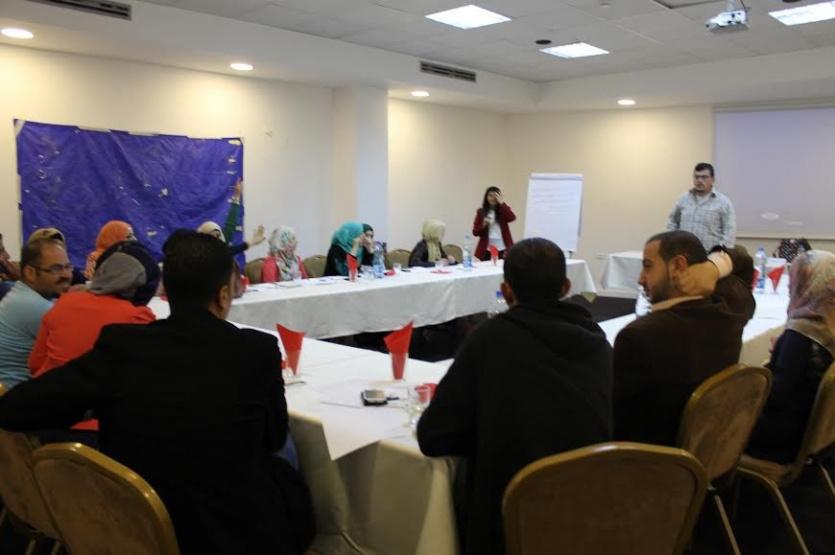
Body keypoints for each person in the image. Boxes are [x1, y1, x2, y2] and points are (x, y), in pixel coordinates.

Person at [0, 231, 315, 554]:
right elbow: (273, 438)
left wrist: (96, 405)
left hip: (132, 527)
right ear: (223, 295)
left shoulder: (122, 346)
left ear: (166, 291)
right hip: (235, 533)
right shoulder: (257, 351)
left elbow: (17, 407)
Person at [417, 238, 612, 555]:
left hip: (510, 517)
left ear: (506, 292)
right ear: (566, 287)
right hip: (589, 508)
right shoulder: (597, 342)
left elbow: (433, 436)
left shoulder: (490, 339)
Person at [613, 230, 755, 445]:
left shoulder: (638, 336)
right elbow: (744, 263)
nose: (640, 279)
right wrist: (713, 268)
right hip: (708, 450)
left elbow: (618, 421)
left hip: (652, 457)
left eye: (648, 266)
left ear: (678, 266)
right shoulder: (731, 311)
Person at [28, 241, 160, 435]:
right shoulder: (137, 318)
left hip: (42, 421)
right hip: (98, 431)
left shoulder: (65, 301)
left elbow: (35, 364)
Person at [747, 250, 835, 463]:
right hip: (815, 437)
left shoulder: (800, 335)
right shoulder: (826, 326)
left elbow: (776, 398)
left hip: (782, 443)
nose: (789, 286)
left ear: (807, 285)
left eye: (794, 280)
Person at [0, 238, 72, 389]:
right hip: (13, 394)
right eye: (56, 269)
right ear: (30, 273)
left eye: (68, 267)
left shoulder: (23, 295)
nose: (66, 275)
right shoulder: (34, 306)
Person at [667, 162, 736, 251]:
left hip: (709, 254)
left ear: (713, 179)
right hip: (683, 252)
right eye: (696, 177)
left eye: (704, 177)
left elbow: (729, 232)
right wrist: (673, 242)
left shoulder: (723, 202)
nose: (699, 180)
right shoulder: (683, 199)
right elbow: (672, 222)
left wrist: (719, 252)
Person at [198, 178, 266, 256]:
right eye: (211, 238)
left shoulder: (222, 251)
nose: (217, 240)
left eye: (218, 236)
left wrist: (237, 196)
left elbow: (230, 227)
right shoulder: (200, 257)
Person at [472, 186, 516, 261]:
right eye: (490, 195)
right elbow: (475, 232)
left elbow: (512, 218)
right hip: (487, 248)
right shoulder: (481, 212)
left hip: (503, 247)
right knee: (486, 267)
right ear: (486, 197)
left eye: (495, 196)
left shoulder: (503, 209)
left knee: (503, 267)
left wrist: (502, 203)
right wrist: (483, 225)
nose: (493, 198)